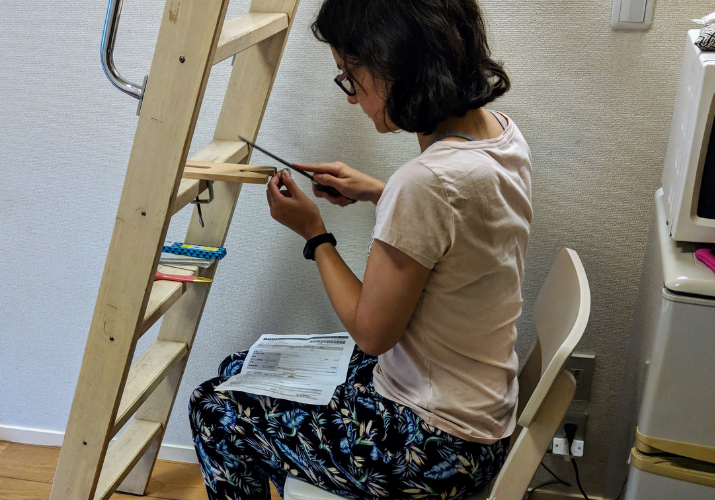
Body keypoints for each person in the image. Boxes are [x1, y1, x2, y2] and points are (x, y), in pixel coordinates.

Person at [189, 0, 532, 498]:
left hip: (432, 447)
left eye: (351, 75)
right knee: (238, 371)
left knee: (213, 407)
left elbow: (372, 334)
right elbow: (459, 219)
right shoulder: (501, 134)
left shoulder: (426, 182)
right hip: (481, 414)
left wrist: (315, 235)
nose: (351, 97)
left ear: (397, 64)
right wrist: (378, 190)